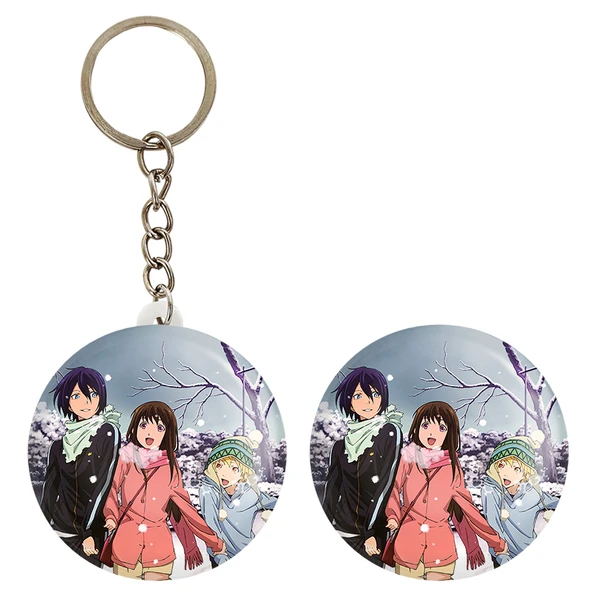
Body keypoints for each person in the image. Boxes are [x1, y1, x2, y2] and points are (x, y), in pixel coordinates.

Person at [385, 401, 508, 580]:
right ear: (416, 428)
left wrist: (495, 541)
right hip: (408, 542)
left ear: (449, 433)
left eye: (441, 428)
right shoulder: (408, 458)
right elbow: (394, 489)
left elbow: (467, 507)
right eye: (425, 425)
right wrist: (393, 516)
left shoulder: (452, 466)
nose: (432, 433)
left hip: (440, 546)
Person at [103, 401, 225, 580]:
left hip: (158, 546)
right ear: (134, 428)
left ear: (167, 433)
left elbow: (186, 508)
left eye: (159, 428)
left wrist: (213, 541)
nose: (150, 433)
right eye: (144, 425)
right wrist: (111, 516)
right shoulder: (126, 458)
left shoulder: (170, 467)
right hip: (126, 542)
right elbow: (112, 489)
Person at [323, 367, 403, 566]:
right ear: (349, 401)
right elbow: (332, 491)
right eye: (359, 396)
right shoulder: (340, 446)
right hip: (341, 530)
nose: (368, 402)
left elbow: (385, 485)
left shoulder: (389, 432)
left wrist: (372, 531)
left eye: (374, 394)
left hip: (371, 536)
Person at [41, 367, 121, 567]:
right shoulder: (58, 446)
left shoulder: (107, 432)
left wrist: (89, 531)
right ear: (67, 401)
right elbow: (50, 491)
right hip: (59, 530)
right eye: (77, 396)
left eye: (92, 394)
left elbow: (102, 485)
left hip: (89, 536)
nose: (86, 402)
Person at [200, 430, 277, 566]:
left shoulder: (251, 493)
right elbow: (212, 528)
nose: (224, 473)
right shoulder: (209, 492)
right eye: (219, 465)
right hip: (221, 558)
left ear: (244, 471)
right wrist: (220, 557)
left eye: (234, 468)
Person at [481, 431, 559, 567]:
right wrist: (502, 557)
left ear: (526, 472)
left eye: (516, 468)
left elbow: (556, 502)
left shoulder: (533, 493)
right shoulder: (491, 491)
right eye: (501, 465)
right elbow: (493, 527)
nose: (506, 473)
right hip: (502, 558)